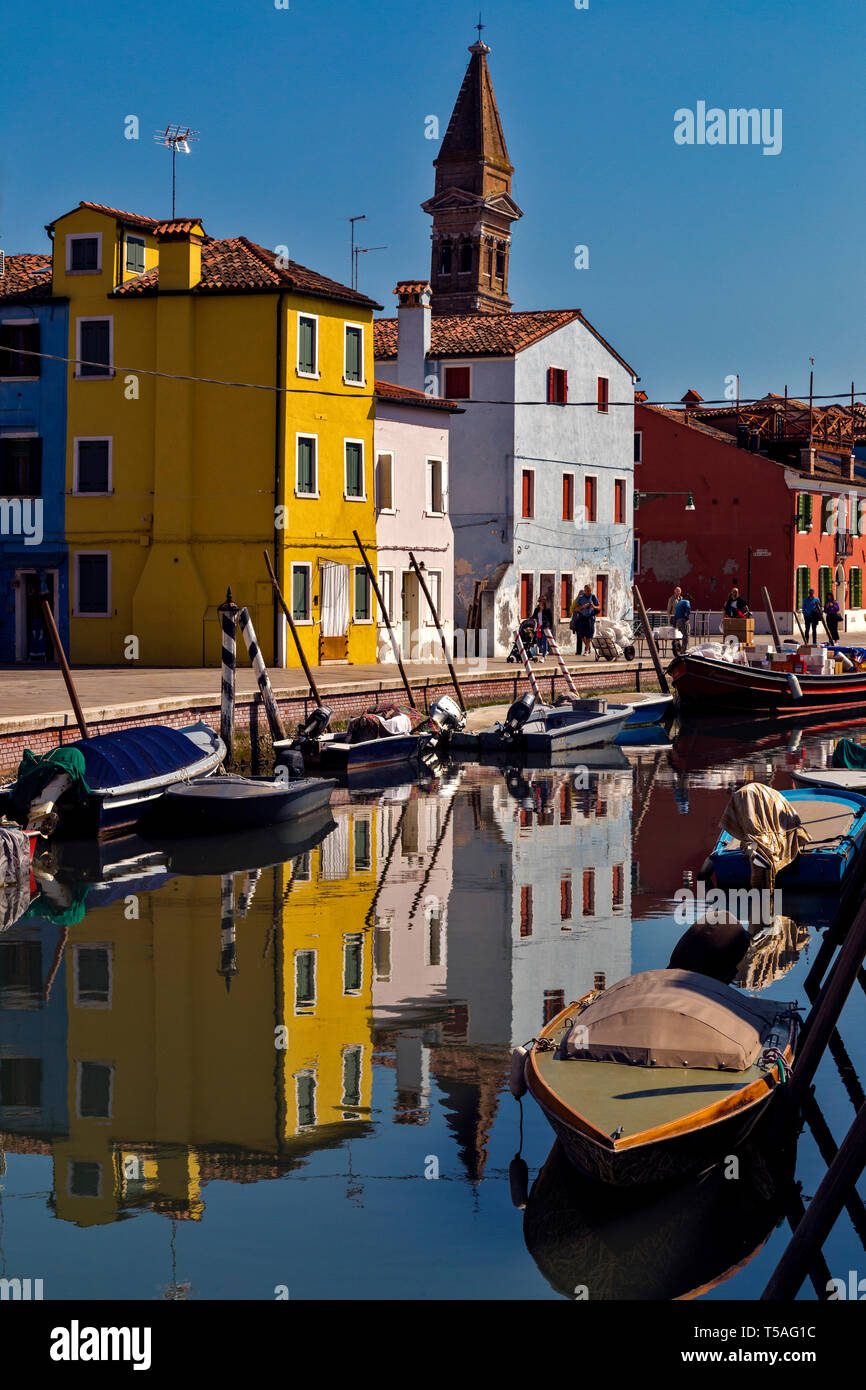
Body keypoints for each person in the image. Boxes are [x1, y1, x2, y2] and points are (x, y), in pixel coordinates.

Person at [572, 584, 600, 655]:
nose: (589, 592)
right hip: (582, 617)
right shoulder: (581, 598)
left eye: (590, 590)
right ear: (584, 590)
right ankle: (588, 646)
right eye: (587, 590)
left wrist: (593, 606)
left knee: (589, 635)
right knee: (581, 635)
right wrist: (583, 606)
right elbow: (576, 608)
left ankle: (586, 650)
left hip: (590, 618)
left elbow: (599, 607)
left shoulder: (593, 597)